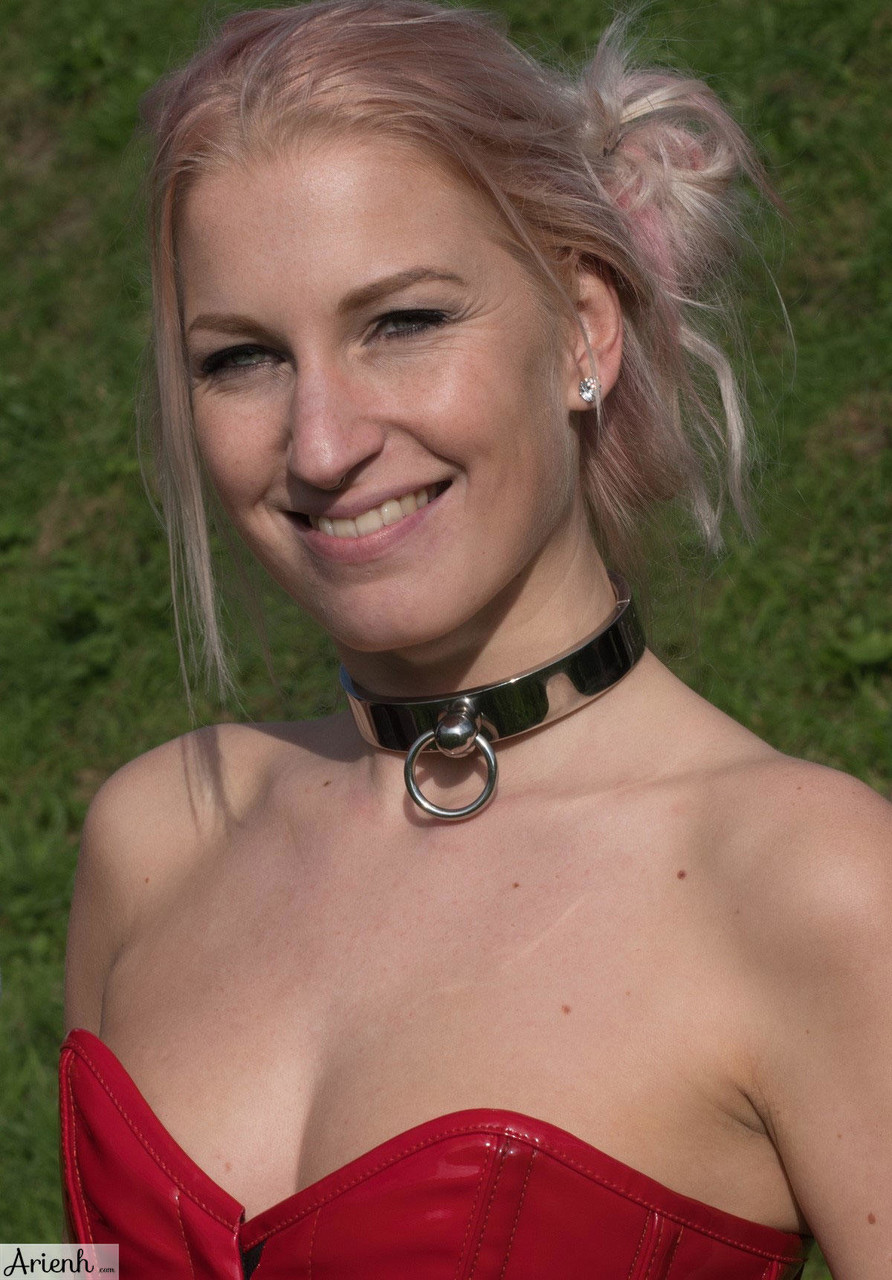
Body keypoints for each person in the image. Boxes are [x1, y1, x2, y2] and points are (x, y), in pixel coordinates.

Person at [59, 1, 891, 1276]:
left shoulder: (809, 885)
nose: (321, 442)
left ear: (583, 329)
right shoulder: (159, 836)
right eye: (241, 358)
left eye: (402, 322)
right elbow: (69, 1265)